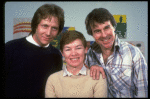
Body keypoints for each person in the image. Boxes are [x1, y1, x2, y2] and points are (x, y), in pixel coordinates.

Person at [3, 4, 64, 98]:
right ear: (35, 25)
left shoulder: (56, 55)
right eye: (45, 26)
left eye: (54, 28)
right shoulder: (10, 48)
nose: (48, 33)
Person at [85, 8, 148, 98]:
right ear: (92, 34)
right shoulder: (90, 54)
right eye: (97, 31)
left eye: (107, 28)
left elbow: (143, 93)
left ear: (114, 27)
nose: (104, 35)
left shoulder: (133, 53)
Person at [45, 30, 107, 98]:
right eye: (68, 49)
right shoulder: (53, 80)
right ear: (62, 53)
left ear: (85, 50)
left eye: (78, 48)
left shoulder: (97, 77)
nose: (74, 53)